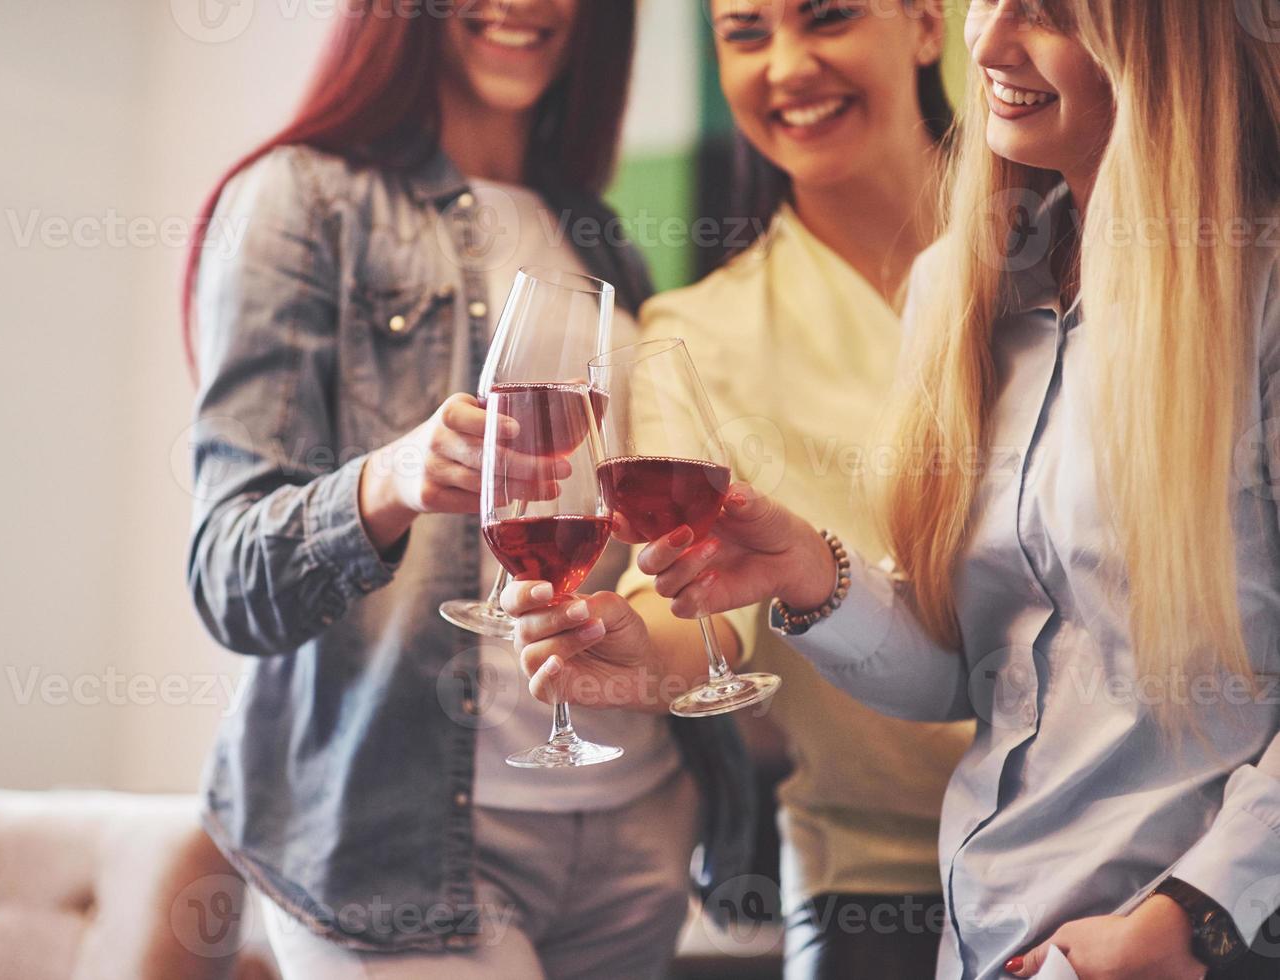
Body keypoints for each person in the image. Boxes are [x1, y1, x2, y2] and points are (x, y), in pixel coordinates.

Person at [507, 1, 1280, 978]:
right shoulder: (965, 296)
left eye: (1045, 16)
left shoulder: (1254, 293)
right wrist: (812, 573)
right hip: (984, 931)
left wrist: (1191, 916)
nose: (991, 43)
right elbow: (970, 676)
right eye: (991, 2)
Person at [181, 2, 754, 977]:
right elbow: (226, 576)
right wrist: (388, 481)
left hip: (633, 830)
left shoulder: (597, 236)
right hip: (396, 848)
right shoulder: (301, 200)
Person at [510, 1, 970, 977]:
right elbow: (703, 608)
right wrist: (636, 652)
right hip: (873, 878)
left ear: (927, 25)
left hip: (1121, 841)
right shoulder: (696, 329)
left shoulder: (1064, 257)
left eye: (829, 18)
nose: (788, 66)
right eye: (746, 33)